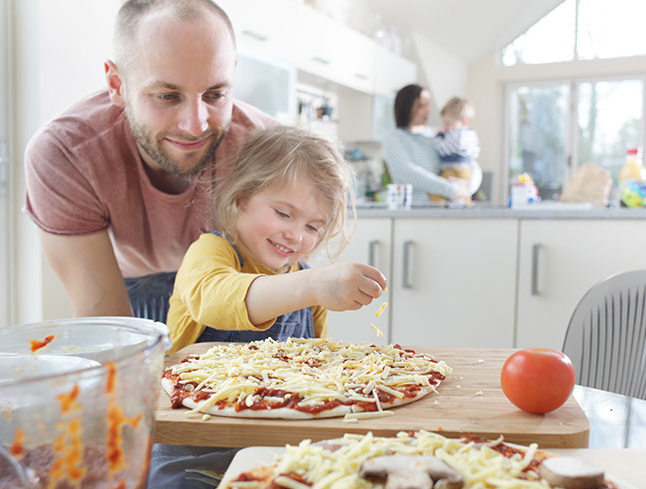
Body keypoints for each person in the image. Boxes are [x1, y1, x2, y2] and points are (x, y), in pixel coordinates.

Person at [24, 0, 275, 317]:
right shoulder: (66, 153)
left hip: (242, 289)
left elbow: (282, 277)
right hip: (134, 290)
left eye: (215, 95)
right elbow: (103, 313)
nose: (195, 125)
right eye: (168, 96)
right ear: (117, 85)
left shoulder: (266, 148)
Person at [167, 126, 387, 350]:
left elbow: (317, 362)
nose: (295, 236)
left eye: (312, 227)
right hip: (189, 383)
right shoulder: (211, 249)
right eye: (283, 214)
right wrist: (311, 286)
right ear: (241, 199)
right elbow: (212, 301)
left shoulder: (308, 284)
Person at [382, 84, 480, 203]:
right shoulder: (393, 138)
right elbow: (406, 172)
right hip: (414, 211)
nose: (428, 110)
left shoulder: (438, 135)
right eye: (422, 105)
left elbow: (470, 163)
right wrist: (452, 189)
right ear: (406, 106)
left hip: (446, 209)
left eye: (428, 104)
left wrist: (468, 186)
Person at [431, 97, 480, 202]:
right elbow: (475, 153)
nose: (445, 126)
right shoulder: (471, 134)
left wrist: (438, 137)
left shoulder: (456, 135)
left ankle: (439, 206)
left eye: (448, 123)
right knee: (462, 194)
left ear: (464, 122)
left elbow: (442, 149)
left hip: (453, 171)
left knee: (435, 190)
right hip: (467, 171)